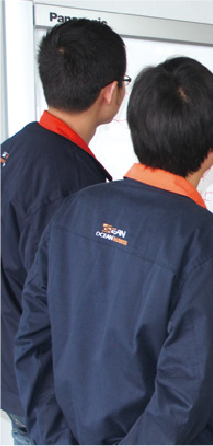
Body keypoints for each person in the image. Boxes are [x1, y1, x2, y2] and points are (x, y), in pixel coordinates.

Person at [14, 57, 213, 445]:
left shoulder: (76, 210)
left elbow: (33, 342)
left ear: (135, 128)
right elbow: (184, 396)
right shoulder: (206, 243)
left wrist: (56, 440)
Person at [0, 19, 126, 445]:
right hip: (50, 397)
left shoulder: (14, 150)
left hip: (18, 378)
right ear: (110, 92)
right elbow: (70, 306)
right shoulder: (68, 182)